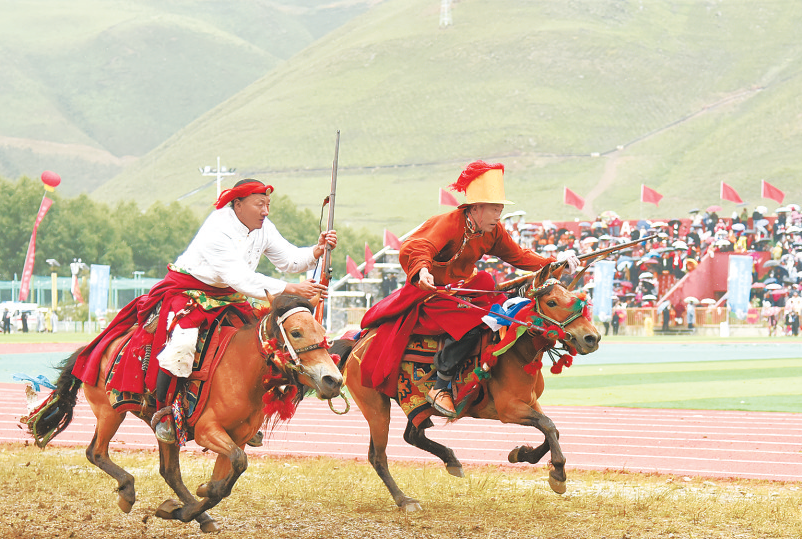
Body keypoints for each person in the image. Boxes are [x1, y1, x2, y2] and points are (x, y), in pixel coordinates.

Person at [71, 178, 335, 443]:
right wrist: (292, 288)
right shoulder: (217, 228)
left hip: (227, 296)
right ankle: (164, 413)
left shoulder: (263, 227)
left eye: (268, 205)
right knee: (181, 347)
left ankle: (244, 416)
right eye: (259, 204)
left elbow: (289, 259)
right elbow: (240, 278)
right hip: (189, 293)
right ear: (238, 204)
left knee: (262, 343)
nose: (265, 211)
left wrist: (316, 250)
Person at [359, 161, 578, 418]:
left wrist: (555, 263)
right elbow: (417, 247)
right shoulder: (450, 223)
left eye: (500, 209)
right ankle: (441, 386)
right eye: (494, 209)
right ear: (475, 208)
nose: (498, 215)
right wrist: (422, 270)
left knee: (500, 307)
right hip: (433, 291)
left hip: (465, 289)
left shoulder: (493, 231)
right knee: (475, 321)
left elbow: (519, 256)